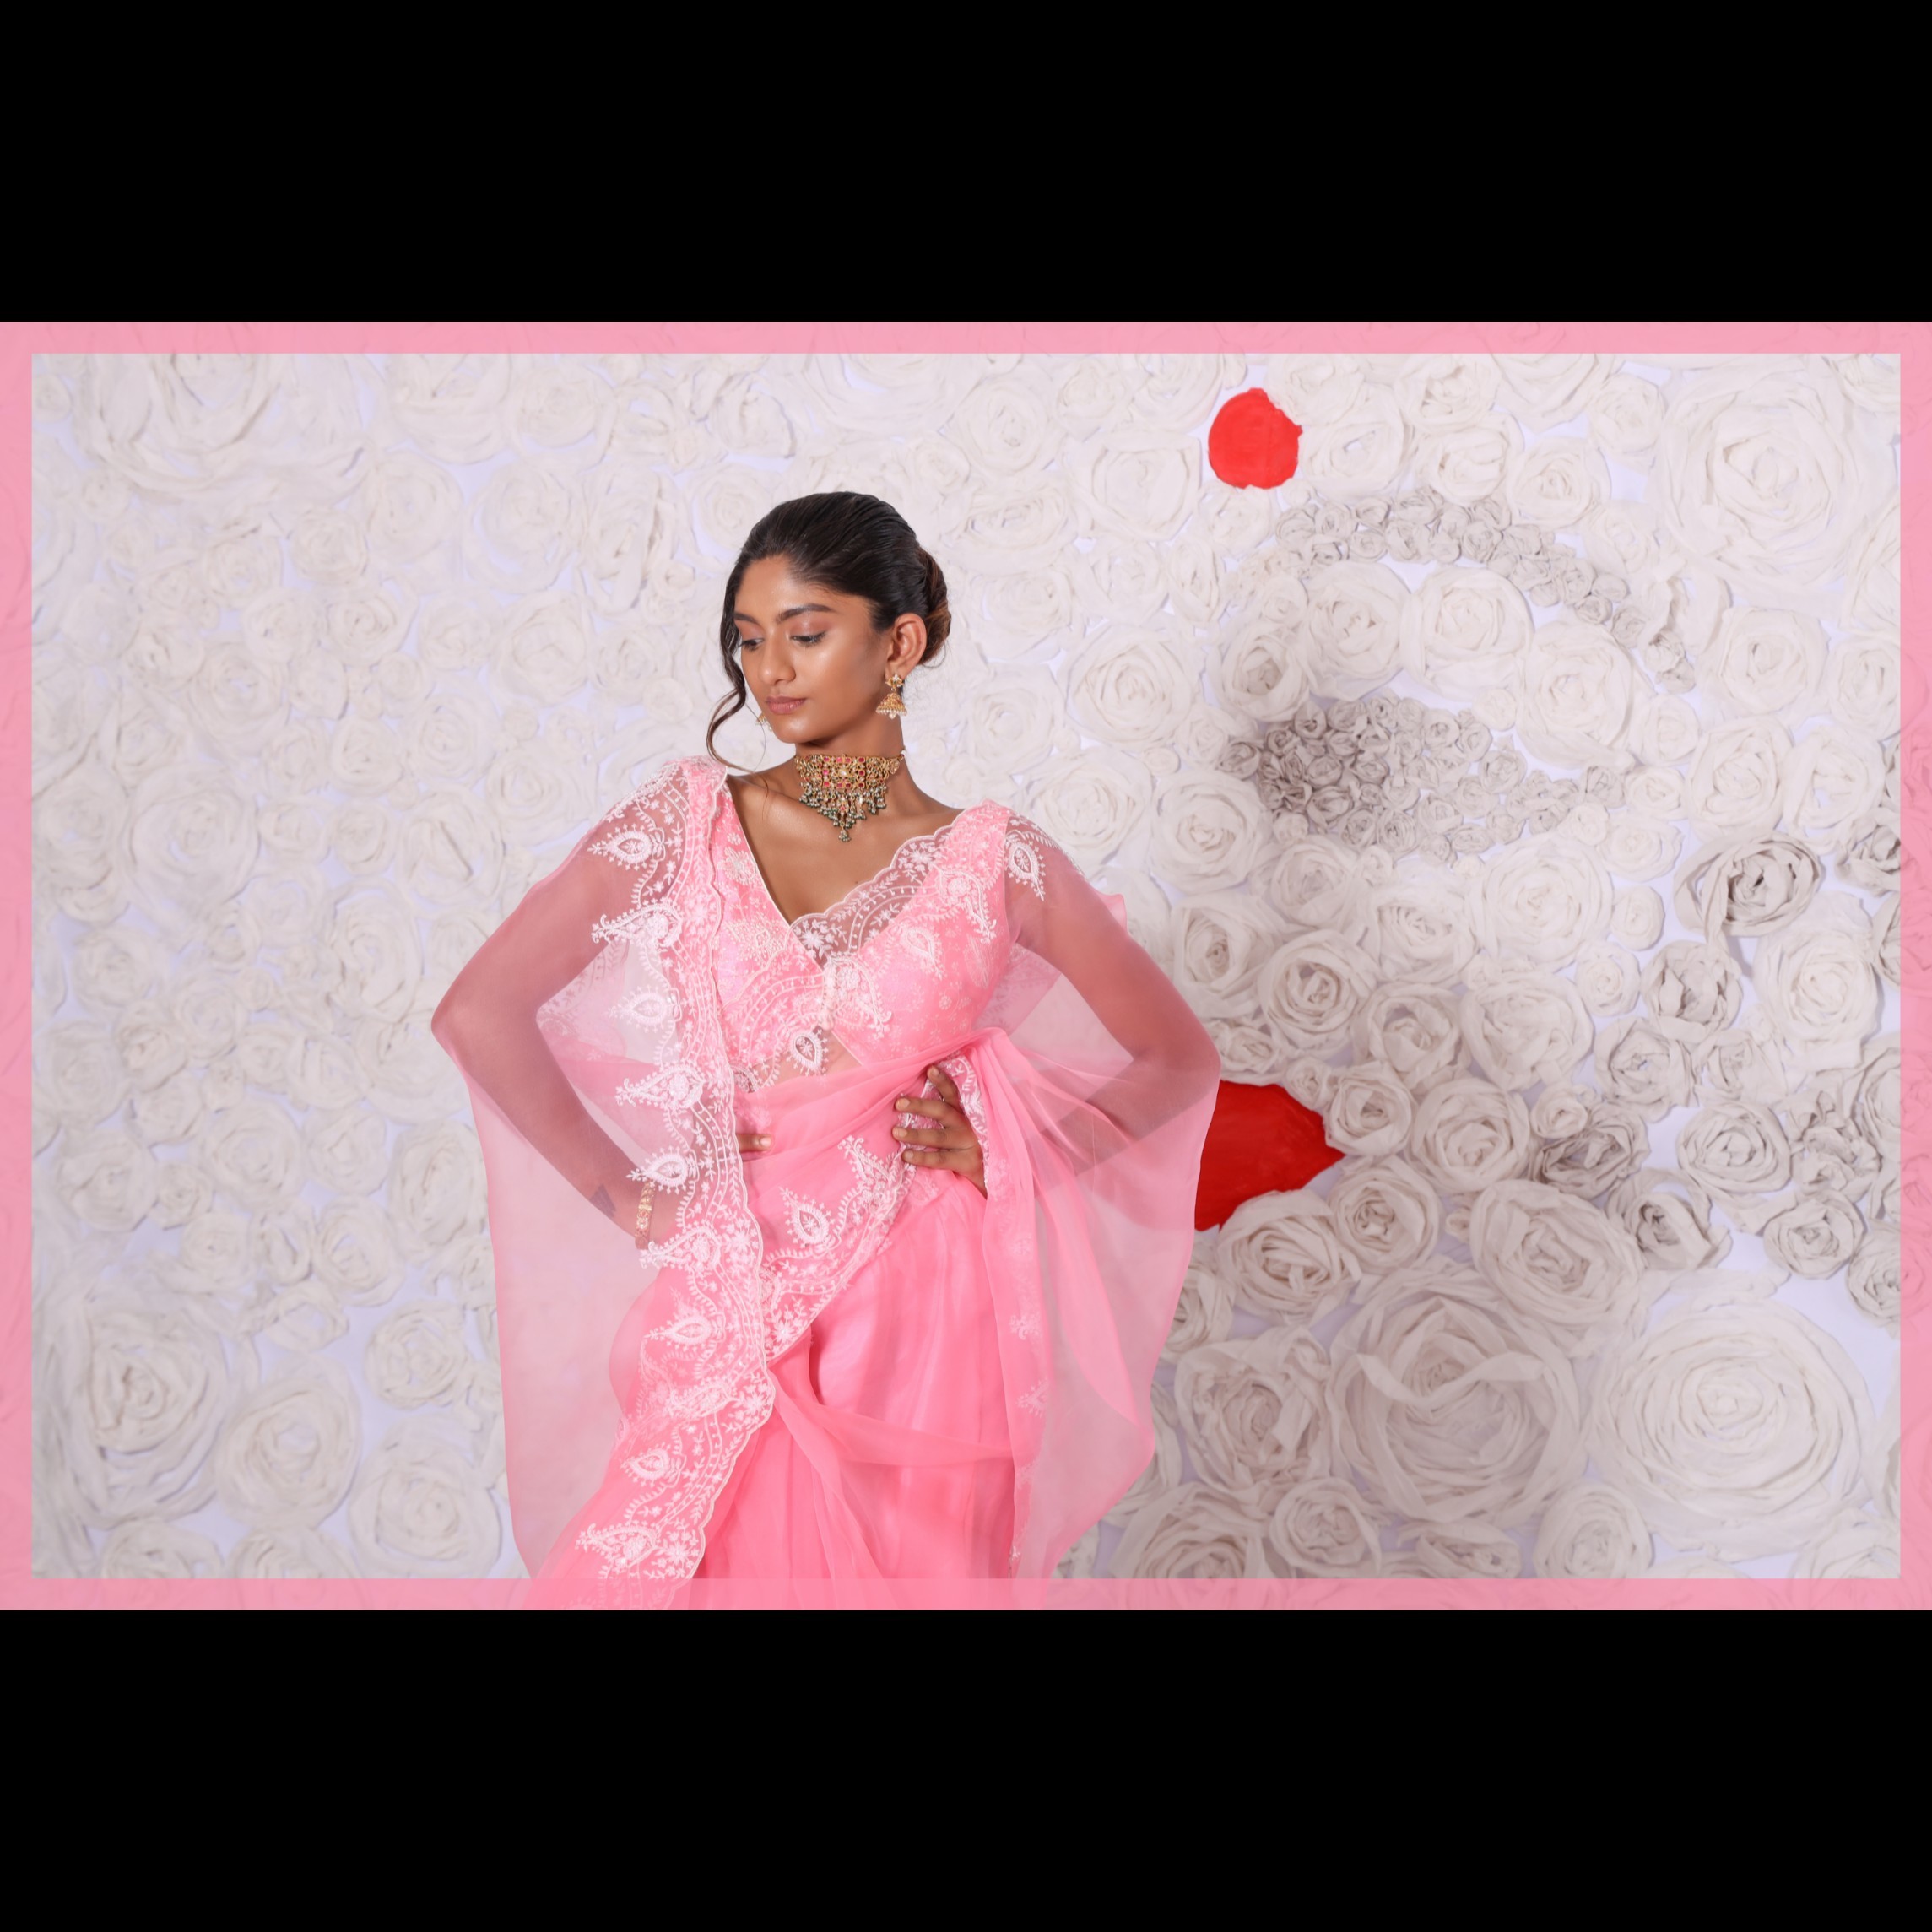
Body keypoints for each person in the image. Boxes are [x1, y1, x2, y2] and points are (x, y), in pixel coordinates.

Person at [431, 491, 1220, 1603]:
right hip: (735, 1285)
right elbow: (480, 1011)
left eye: (804, 633)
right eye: (748, 640)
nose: (770, 671)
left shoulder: (995, 861)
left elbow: (1177, 1061)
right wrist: (633, 1197)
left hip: (924, 1321)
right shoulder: (686, 824)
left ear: (899, 644)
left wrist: (1010, 1147)